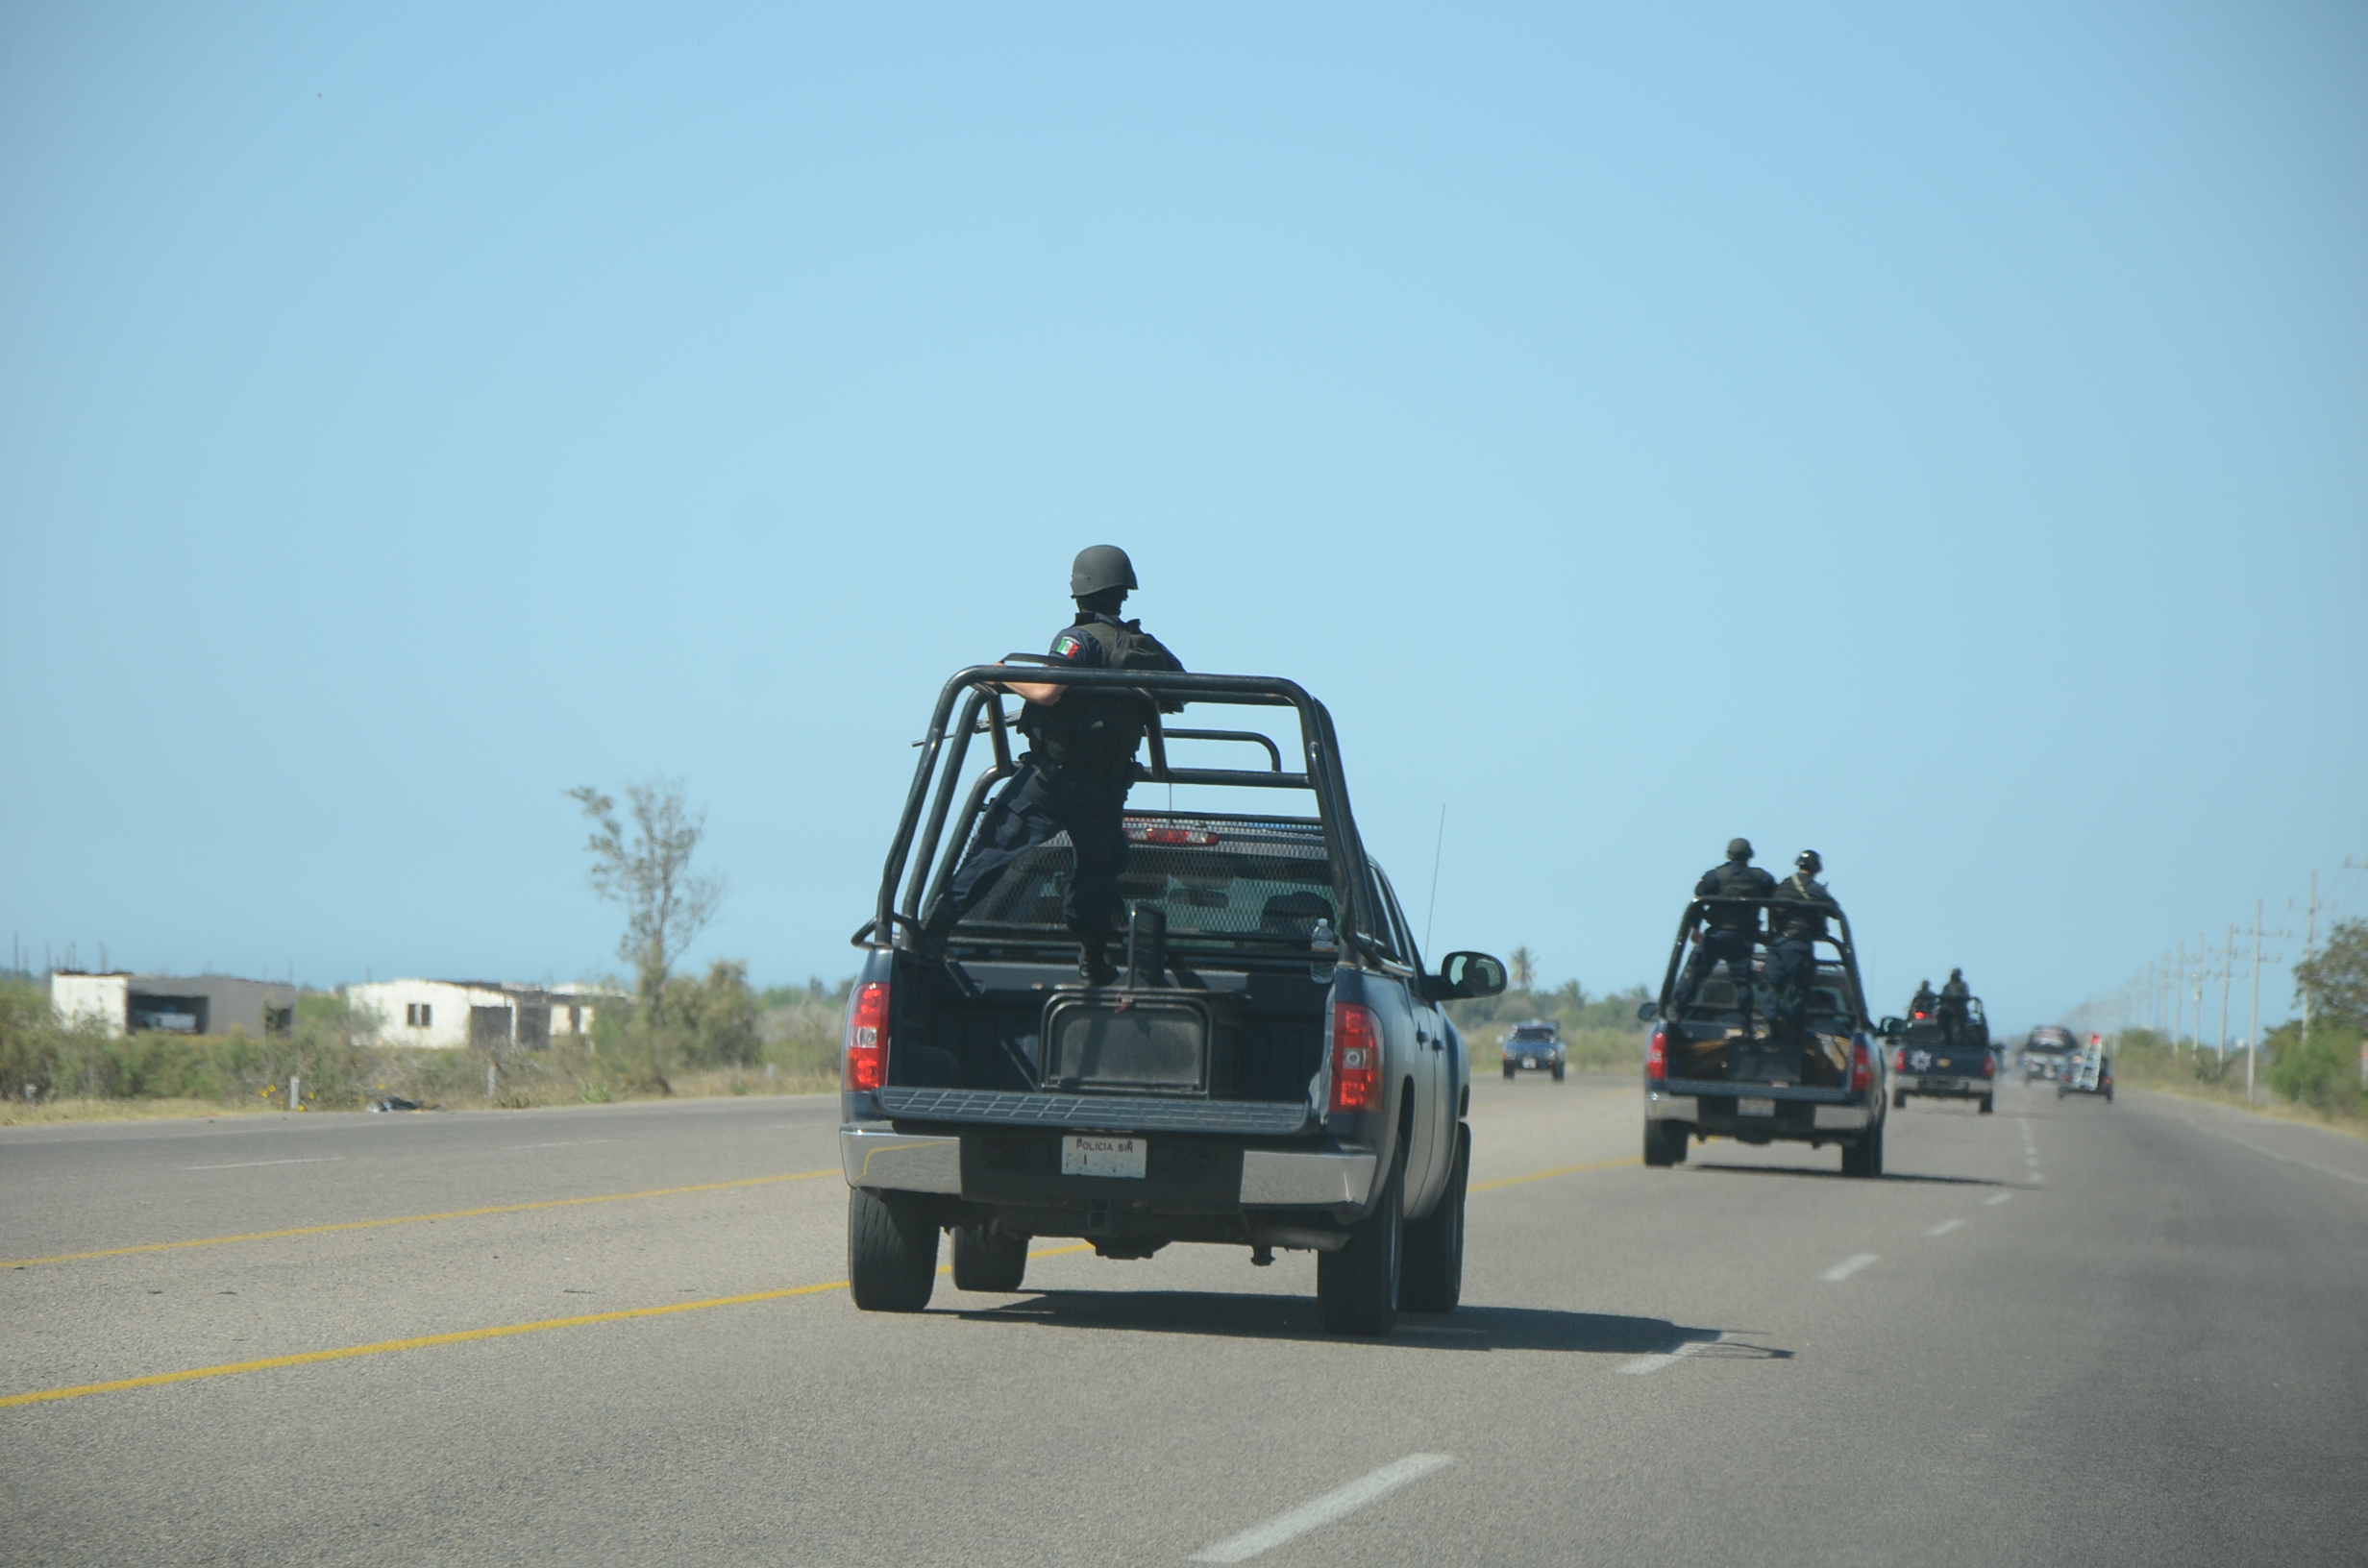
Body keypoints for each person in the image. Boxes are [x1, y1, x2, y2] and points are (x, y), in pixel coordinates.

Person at [919, 545, 1184, 984]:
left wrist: (998, 672)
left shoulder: (1076, 640)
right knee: (1096, 873)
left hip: (1053, 782)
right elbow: (1178, 693)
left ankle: (932, 937)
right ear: (1123, 591)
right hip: (1107, 789)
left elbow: (1046, 692)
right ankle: (1092, 958)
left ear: (1080, 591)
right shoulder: (1144, 647)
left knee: (994, 848)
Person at [1673, 838, 1776, 1022]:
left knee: (1693, 974)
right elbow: (1777, 901)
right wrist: (1773, 932)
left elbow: (1697, 902)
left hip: (1716, 937)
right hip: (1744, 940)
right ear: (1749, 855)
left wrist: (1695, 928)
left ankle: (1676, 1011)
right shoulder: (1761, 879)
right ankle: (1747, 1025)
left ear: (1729, 854)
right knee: (1743, 984)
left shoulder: (1715, 877)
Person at [1766, 849, 1838, 1037]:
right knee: (1798, 989)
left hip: (1776, 944)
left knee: (1774, 987)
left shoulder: (1782, 885)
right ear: (1815, 868)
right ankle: (1794, 1029)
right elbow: (1834, 909)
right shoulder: (1813, 888)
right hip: (1797, 944)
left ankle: (1772, 1024)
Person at [1937, 968, 1971, 1046]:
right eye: (1954, 975)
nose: (1955, 976)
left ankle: (1960, 1039)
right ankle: (1943, 1036)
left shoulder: (1963, 985)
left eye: (1956, 975)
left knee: (1961, 1024)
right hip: (1947, 1009)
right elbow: (1942, 997)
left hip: (1959, 1008)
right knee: (1941, 1018)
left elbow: (1966, 996)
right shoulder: (1947, 986)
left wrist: (1958, 998)